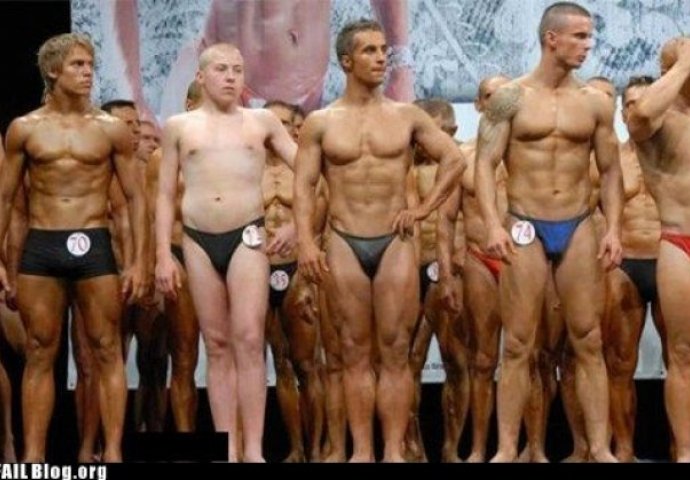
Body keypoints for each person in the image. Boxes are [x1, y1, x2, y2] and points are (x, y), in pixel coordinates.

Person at [294, 19, 464, 462]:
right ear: (346, 61)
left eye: (384, 49)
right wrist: (306, 243)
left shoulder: (407, 116)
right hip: (343, 240)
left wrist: (423, 210)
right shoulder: (320, 122)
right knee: (353, 352)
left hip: (395, 241)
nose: (381, 58)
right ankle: (362, 452)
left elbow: (454, 160)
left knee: (395, 352)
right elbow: (304, 187)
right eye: (369, 50)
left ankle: (392, 452)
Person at [475, 2, 623, 462]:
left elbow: (611, 170)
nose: (587, 45)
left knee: (589, 339)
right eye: (579, 36)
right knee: (518, 343)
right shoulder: (510, 98)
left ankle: (599, 449)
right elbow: (484, 164)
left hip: (577, 223)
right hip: (526, 223)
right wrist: (493, 223)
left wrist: (614, 229)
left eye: (589, 36)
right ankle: (506, 449)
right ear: (550, 39)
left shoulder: (595, 102)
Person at [0, 33, 147, 462]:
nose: (87, 73)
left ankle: (113, 454)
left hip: (95, 242)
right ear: (53, 70)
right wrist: (2, 262)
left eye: (89, 65)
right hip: (42, 244)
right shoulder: (24, 129)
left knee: (106, 350)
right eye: (77, 65)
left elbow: (135, 200)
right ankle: (34, 459)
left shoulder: (110, 129)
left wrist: (138, 261)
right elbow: (6, 201)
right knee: (39, 352)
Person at [155, 43, 297, 462]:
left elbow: (309, 171)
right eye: (221, 69)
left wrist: (298, 226)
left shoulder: (261, 121)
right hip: (197, 239)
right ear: (201, 77)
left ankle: (254, 450)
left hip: (247, 237)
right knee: (216, 344)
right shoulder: (179, 126)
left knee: (250, 340)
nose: (231, 76)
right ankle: (228, 449)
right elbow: (164, 195)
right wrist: (162, 254)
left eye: (237, 69)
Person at [435, 75, 510, 462]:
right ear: (478, 105)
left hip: (525, 260)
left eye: (506, 96)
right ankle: (479, 449)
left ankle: (529, 449)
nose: (498, 103)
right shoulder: (461, 158)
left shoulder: (531, 154)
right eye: (490, 97)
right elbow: (446, 221)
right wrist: (447, 276)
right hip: (479, 258)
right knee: (482, 360)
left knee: (531, 358)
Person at [624, 37, 690, 462]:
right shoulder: (656, 119)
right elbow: (643, 113)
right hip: (680, 241)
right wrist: (682, 63)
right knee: (682, 355)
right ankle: (685, 452)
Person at [603, 80, 665, 461]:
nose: (635, 111)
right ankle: (623, 450)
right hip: (623, 264)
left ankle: (681, 450)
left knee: (682, 363)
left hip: (670, 259)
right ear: (622, 112)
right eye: (628, 105)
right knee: (619, 364)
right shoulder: (610, 160)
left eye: (643, 103)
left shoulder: (679, 155)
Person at [262, 99, 326, 462]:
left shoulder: (306, 168)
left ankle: (316, 449)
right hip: (259, 272)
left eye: (286, 122)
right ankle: (295, 448)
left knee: (307, 365)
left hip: (299, 269)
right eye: (273, 122)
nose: (280, 128)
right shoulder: (247, 168)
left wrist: (299, 231)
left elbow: (325, 215)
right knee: (280, 363)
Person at [406, 97, 469, 463]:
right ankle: (411, 445)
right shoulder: (402, 166)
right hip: (411, 272)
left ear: (452, 131)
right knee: (408, 361)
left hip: (453, 272)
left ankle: (452, 447)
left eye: (435, 132)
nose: (425, 141)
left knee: (457, 362)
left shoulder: (465, 163)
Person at [144, 81, 202, 433]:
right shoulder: (163, 158)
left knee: (235, 355)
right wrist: (157, 262)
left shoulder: (237, 150)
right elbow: (153, 217)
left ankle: (239, 449)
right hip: (182, 253)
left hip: (228, 253)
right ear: (189, 104)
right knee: (183, 357)